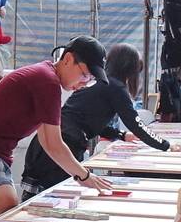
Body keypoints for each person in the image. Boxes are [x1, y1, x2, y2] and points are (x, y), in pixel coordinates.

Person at [0, 37, 112, 220]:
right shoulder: (47, 81)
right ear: (67, 59)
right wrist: (84, 177)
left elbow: (47, 140)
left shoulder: (46, 77)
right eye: (84, 74)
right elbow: (54, 144)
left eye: (91, 79)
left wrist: (81, 176)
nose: (85, 82)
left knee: (5, 217)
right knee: (7, 203)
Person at [22, 41, 171, 193]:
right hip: (63, 147)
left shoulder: (98, 83)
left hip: (48, 145)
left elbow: (87, 120)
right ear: (129, 69)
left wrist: (121, 135)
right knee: (54, 200)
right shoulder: (116, 88)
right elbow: (136, 124)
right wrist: (166, 145)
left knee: (37, 199)